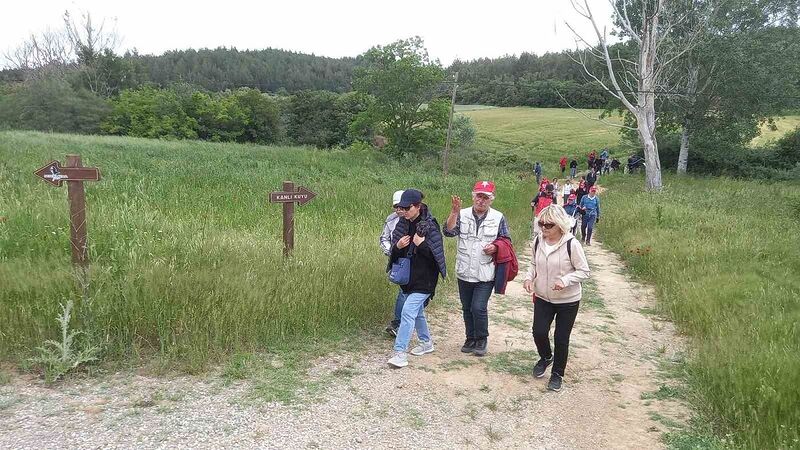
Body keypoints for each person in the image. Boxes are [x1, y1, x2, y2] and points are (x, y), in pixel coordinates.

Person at [523, 205, 591, 392]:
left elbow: (584, 271)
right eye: (541, 223)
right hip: (543, 296)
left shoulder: (572, 244)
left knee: (561, 338)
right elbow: (533, 263)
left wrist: (566, 280)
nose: (544, 228)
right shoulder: (538, 241)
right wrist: (529, 278)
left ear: (560, 225)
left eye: (549, 225)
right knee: (538, 332)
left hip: (567, 300)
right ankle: (546, 357)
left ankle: (557, 374)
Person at [444, 181, 510, 357]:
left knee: (478, 307)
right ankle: (470, 338)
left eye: (485, 197)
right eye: (478, 196)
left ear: (491, 200)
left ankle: (482, 339)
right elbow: (449, 232)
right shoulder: (462, 214)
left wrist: (496, 247)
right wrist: (454, 213)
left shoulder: (498, 217)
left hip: (485, 272)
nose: (481, 200)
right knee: (466, 307)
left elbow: (506, 240)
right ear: (473, 197)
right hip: (464, 270)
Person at [387, 189, 447, 368]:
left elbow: (437, 256)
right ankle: (426, 343)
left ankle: (399, 353)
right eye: (401, 208)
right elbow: (395, 252)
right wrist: (397, 246)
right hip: (408, 278)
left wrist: (421, 245)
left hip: (425, 279)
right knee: (417, 312)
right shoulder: (402, 224)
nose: (404, 211)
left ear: (418, 207)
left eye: (407, 208)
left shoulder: (430, 225)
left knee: (407, 312)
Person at [380, 190, 406, 337]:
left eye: (402, 206)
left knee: (405, 292)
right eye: (396, 206)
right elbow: (384, 238)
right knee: (404, 291)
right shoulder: (391, 220)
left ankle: (398, 323)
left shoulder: (416, 218)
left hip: (414, 260)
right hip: (398, 260)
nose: (399, 210)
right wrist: (392, 251)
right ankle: (400, 322)